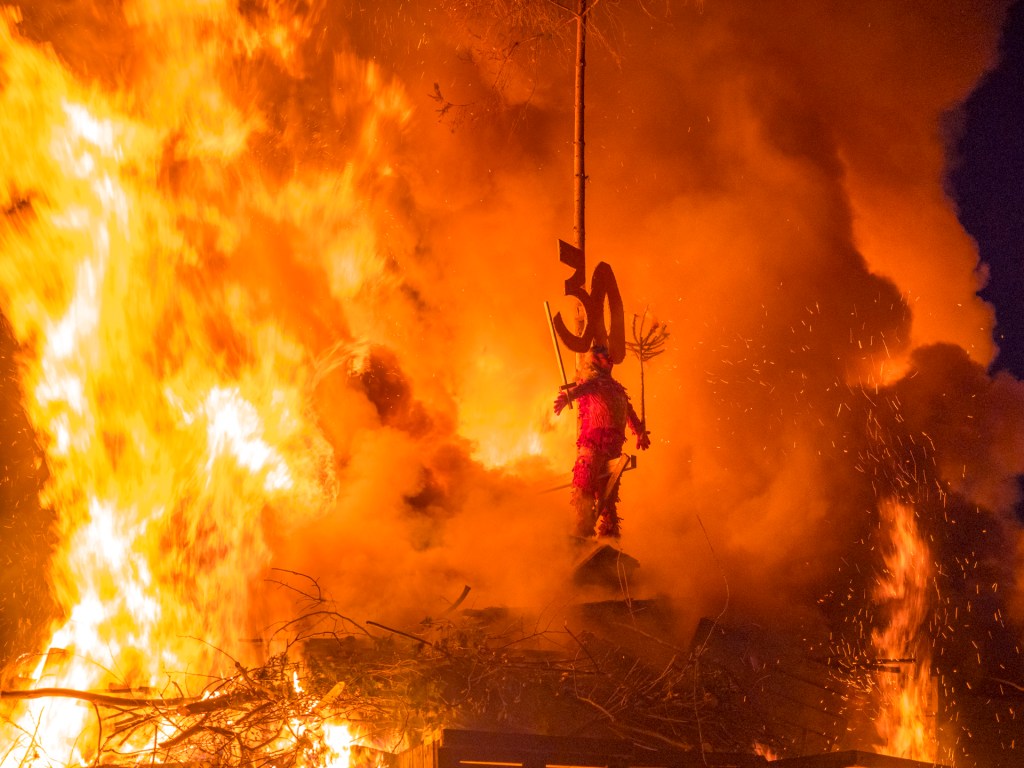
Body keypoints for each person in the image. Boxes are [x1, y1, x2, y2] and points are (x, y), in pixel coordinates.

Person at [554, 345, 650, 539]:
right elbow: (581, 389)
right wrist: (566, 397)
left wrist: (640, 432)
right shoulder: (594, 382)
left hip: (613, 448)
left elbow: (629, 412)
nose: (610, 359)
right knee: (585, 479)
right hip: (593, 443)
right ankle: (581, 527)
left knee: (609, 493)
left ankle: (609, 535)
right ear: (595, 360)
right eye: (604, 356)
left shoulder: (617, 389)